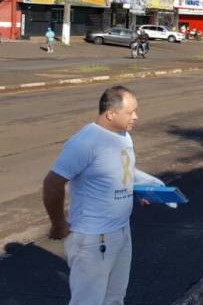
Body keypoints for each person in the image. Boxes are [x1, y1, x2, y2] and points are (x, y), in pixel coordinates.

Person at [43, 86, 164, 305]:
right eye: (130, 112)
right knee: (88, 301)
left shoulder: (123, 136)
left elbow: (121, 171)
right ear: (110, 114)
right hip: (93, 238)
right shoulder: (85, 142)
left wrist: (140, 190)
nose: (136, 117)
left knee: (115, 298)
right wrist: (58, 224)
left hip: (121, 230)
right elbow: (52, 183)